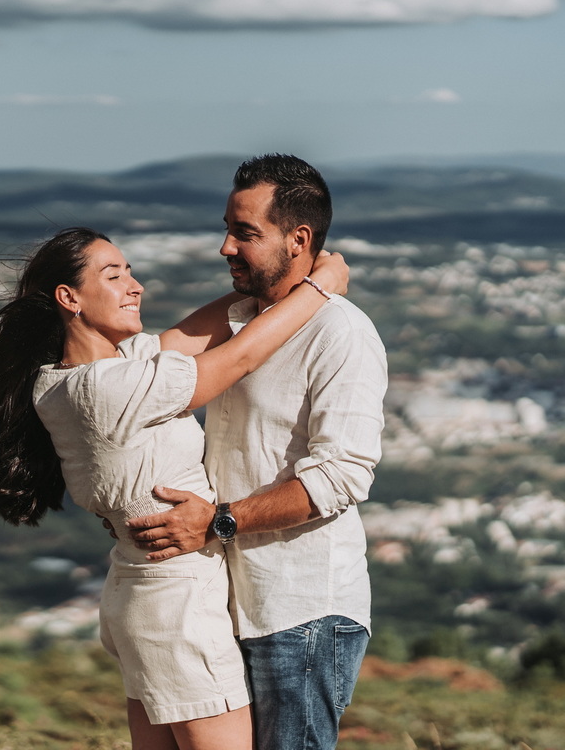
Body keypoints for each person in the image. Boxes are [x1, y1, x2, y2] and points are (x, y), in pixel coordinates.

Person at [0, 225, 349, 750]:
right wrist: (319, 287)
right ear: (69, 298)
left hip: (144, 600)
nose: (136, 286)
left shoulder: (67, 378)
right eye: (114, 276)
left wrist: (269, 283)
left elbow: (192, 333)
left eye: (130, 271)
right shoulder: (107, 388)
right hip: (177, 606)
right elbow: (240, 356)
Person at [127, 154, 388, 750]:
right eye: (227, 229)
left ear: (299, 239)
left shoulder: (341, 333)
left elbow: (342, 476)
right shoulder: (242, 320)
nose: (225, 247)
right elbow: (146, 370)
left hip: (302, 611)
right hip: (230, 602)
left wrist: (217, 523)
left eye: (245, 233)